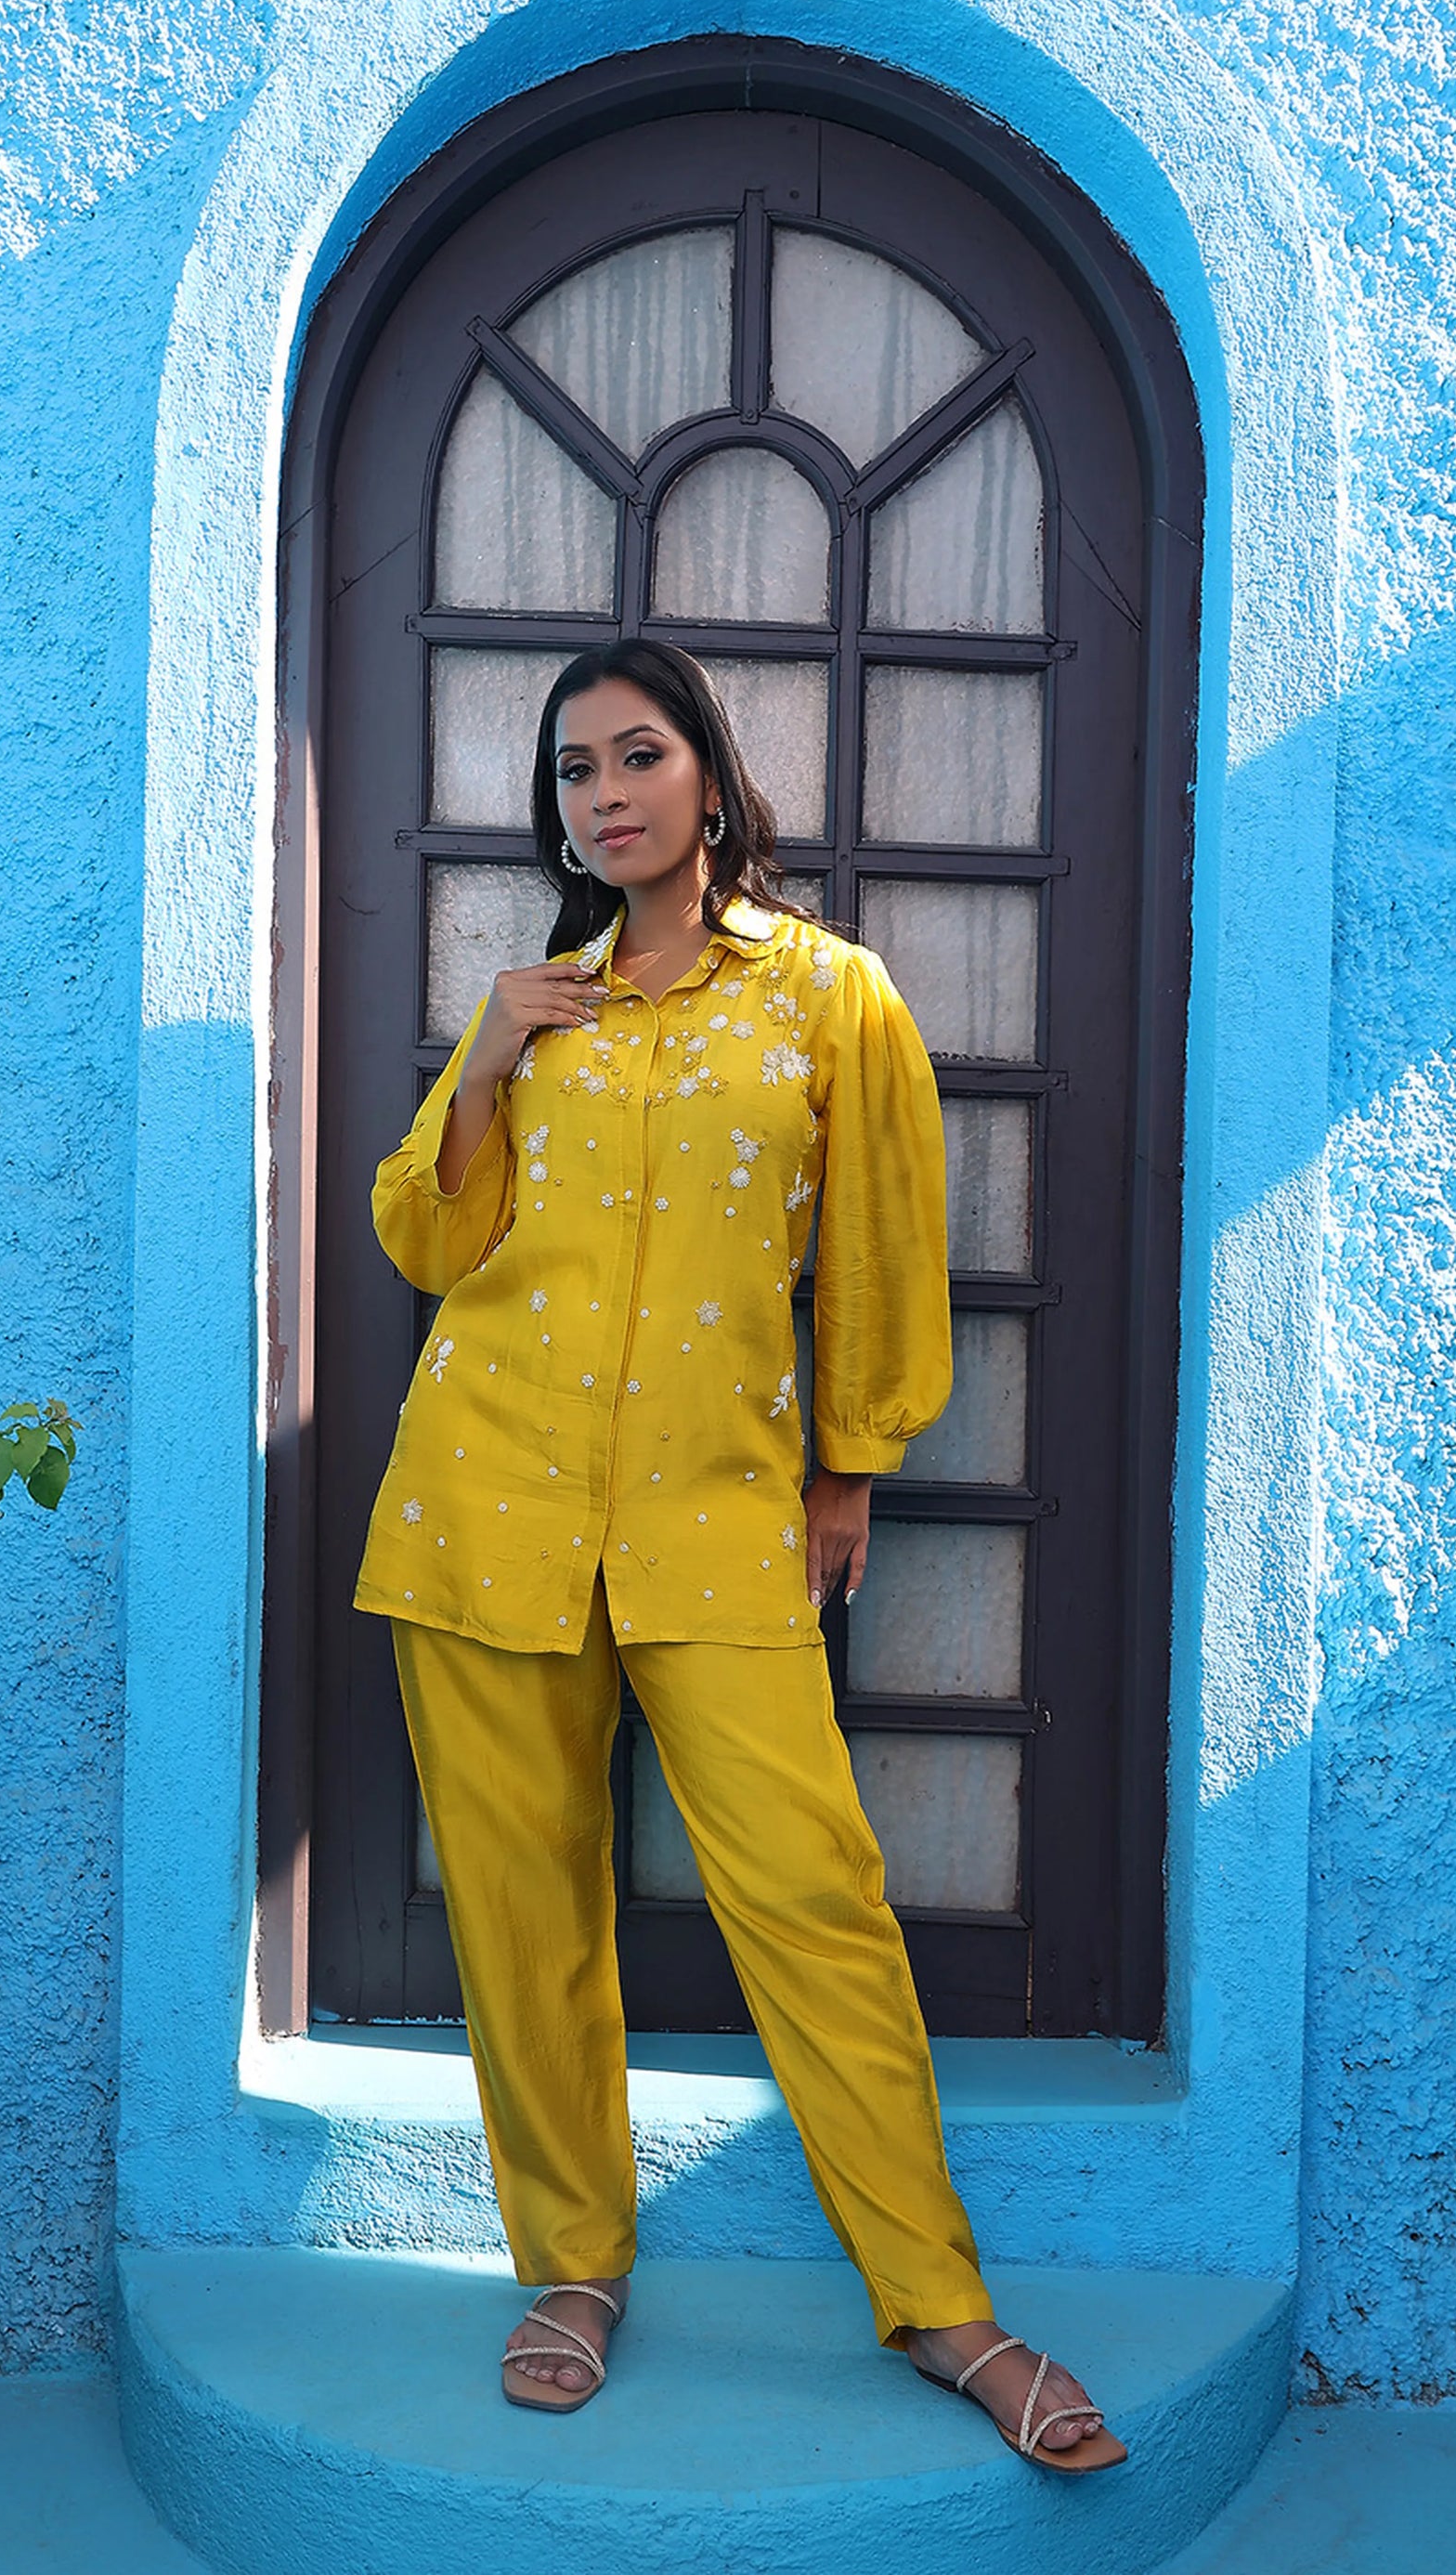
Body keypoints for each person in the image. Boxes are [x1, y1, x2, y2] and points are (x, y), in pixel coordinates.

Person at [354, 639, 1124, 2475]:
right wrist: (485, 1059)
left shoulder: (828, 996)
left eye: (638, 754)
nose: (604, 793)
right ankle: (570, 2271)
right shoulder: (534, 1002)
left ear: (708, 773)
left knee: (816, 1900)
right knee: (521, 1915)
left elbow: (882, 1245)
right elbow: (424, 1241)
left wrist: (849, 1466)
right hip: (483, 1501)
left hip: (715, 1515)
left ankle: (941, 2304)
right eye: (572, 771)